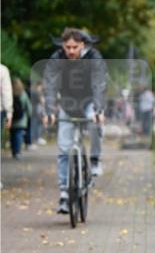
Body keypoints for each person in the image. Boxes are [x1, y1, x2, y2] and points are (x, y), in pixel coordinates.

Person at [43, 28, 108, 214]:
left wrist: (98, 109)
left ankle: (94, 160)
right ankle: (64, 193)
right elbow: (50, 84)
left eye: (75, 47)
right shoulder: (57, 58)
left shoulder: (94, 57)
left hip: (89, 101)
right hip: (67, 103)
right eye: (67, 47)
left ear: (82, 45)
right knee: (64, 149)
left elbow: (99, 83)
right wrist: (50, 110)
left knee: (95, 123)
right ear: (63, 46)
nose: (71, 51)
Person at [10, 79, 31, 158]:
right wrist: (29, 115)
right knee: (19, 135)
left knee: (13, 135)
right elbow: (28, 105)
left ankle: (13, 151)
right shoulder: (23, 93)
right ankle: (17, 152)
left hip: (12, 117)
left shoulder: (10, 92)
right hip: (21, 118)